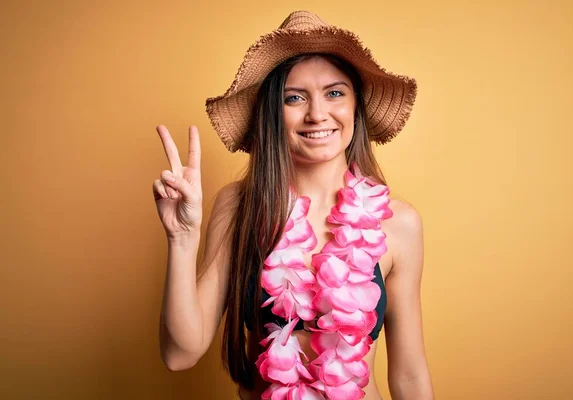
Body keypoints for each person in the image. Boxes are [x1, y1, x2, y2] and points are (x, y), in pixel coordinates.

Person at [154, 10, 434, 400]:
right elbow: (179, 353)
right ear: (273, 113)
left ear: (355, 106)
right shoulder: (239, 207)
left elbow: (409, 376)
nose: (317, 114)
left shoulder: (398, 223)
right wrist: (182, 239)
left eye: (335, 93)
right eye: (294, 98)